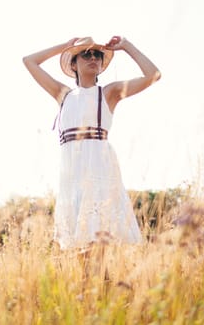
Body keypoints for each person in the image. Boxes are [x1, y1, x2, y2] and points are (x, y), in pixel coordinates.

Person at [23, 36, 161, 250]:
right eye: (86, 54)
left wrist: (127, 46)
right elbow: (29, 61)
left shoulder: (108, 93)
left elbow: (153, 75)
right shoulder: (63, 95)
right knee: (80, 251)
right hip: (72, 179)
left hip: (100, 175)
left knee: (99, 246)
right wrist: (65, 47)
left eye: (97, 54)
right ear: (73, 63)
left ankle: (106, 283)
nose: (93, 58)